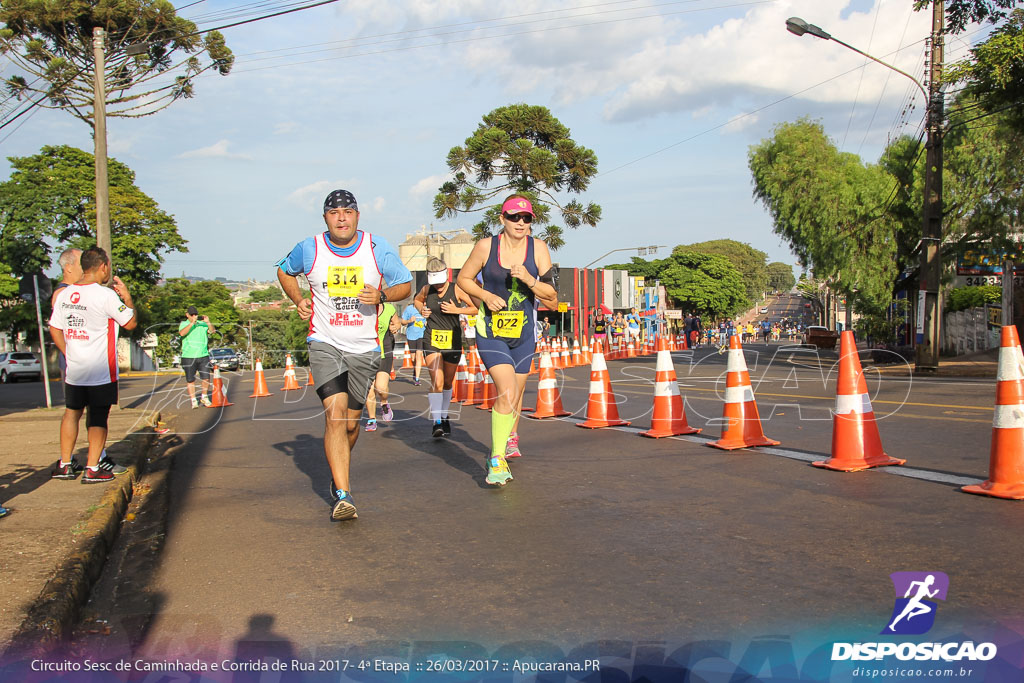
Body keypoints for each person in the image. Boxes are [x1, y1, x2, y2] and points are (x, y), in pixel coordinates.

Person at [277, 189, 412, 521]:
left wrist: (381, 294)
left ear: (357, 216)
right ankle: (343, 492)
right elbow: (283, 270)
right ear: (325, 218)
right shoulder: (310, 248)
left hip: (364, 348)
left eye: (347, 212)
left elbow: (405, 284)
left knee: (351, 424)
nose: (341, 217)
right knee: (335, 416)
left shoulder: (376, 248)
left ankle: (338, 467)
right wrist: (298, 299)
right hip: (325, 343)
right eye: (334, 212)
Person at [457, 195, 557, 486]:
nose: (521, 223)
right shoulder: (486, 246)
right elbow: (463, 279)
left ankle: (510, 433)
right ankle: (496, 458)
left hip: (524, 334)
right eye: (514, 217)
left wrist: (529, 279)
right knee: (507, 390)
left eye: (526, 218)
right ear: (503, 219)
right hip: (491, 330)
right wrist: (485, 295)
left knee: (517, 392)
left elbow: (551, 297)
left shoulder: (538, 249)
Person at [48, 247, 136, 483]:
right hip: (100, 370)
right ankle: (93, 467)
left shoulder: (66, 294)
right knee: (98, 417)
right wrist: (126, 297)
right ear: (102, 266)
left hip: (75, 369)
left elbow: (54, 327)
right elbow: (130, 323)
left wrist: (67, 351)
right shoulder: (105, 295)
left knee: (71, 413)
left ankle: (65, 464)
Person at [415, 258, 477, 438]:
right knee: (437, 380)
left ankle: (444, 415)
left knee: (448, 382)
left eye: (441, 283)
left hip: (453, 341)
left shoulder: (457, 289)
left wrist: (458, 310)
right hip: (431, 339)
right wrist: (422, 309)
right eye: (436, 283)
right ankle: (437, 423)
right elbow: (417, 300)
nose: (439, 286)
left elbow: (475, 308)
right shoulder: (427, 289)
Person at [364, 302, 400, 432]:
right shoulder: (361, 309)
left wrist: (395, 327)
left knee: (381, 387)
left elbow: (397, 322)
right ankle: (372, 419)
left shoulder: (389, 308)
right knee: (369, 389)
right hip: (366, 354)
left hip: (384, 352)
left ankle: (384, 403)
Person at [51, 248, 83, 384]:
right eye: (81, 264)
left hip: (89, 361)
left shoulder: (80, 290)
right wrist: (69, 355)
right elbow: (56, 329)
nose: (85, 268)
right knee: (75, 404)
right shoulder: (62, 293)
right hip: (73, 364)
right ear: (69, 267)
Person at [179, 305, 215, 408]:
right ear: (187, 315)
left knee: (206, 378)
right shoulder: (184, 324)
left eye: (196, 314)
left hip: (203, 355)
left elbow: (212, 331)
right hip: (189, 356)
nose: (194, 316)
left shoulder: (202, 324)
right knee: (190, 380)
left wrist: (208, 322)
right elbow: (182, 333)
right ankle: (193, 399)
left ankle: (204, 397)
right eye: (192, 315)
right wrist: (191, 323)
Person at [400, 301, 427, 385]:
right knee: (413, 358)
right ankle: (415, 371)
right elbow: (402, 321)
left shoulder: (425, 309)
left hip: (422, 335)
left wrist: (427, 322)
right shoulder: (409, 309)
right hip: (411, 335)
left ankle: (417, 378)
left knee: (419, 355)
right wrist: (409, 320)